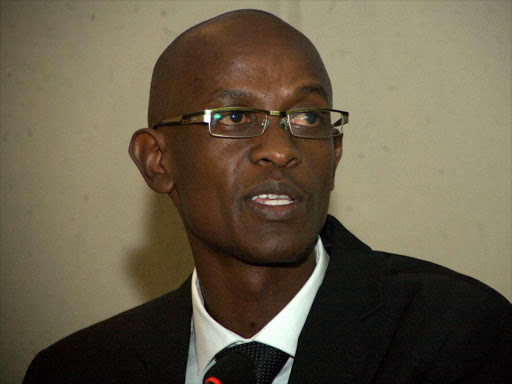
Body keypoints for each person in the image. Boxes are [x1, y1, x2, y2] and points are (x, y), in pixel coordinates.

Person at [23, 9, 511, 384]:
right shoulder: (78, 369)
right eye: (234, 117)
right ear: (157, 161)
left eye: (308, 117)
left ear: (334, 151)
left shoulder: (459, 340)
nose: (281, 150)